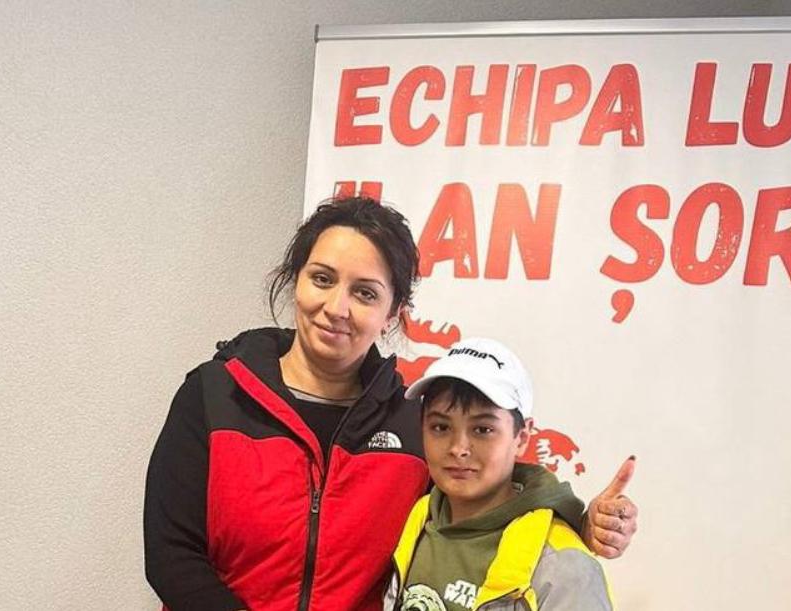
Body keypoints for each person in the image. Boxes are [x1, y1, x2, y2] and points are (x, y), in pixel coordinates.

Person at [143, 196, 637, 611]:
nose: (336, 308)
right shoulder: (214, 394)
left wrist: (579, 520)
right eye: (322, 279)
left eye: (364, 293)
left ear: (393, 313)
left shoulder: (412, 422)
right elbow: (171, 555)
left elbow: (487, 495)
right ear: (296, 281)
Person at [385, 337, 613, 611]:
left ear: (522, 437)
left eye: (483, 430)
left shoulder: (563, 565)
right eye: (441, 428)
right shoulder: (418, 519)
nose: (458, 448)